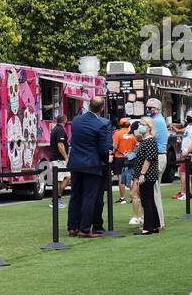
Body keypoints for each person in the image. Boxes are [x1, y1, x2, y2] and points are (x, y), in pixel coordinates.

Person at [66, 96, 112, 238]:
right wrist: (107, 158)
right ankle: (85, 229)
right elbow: (103, 149)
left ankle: (72, 227)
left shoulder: (76, 121)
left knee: (75, 196)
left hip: (76, 163)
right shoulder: (101, 125)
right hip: (92, 164)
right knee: (89, 197)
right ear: (102, 108)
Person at [133, 121, 161, 234]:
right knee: (149, 200)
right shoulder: (145, 140)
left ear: (149, 128)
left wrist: (142, 174)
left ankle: (148, 227)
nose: (140, 126)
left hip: (147, 175)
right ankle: (154, 225)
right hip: (147, 174)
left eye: (143, 124)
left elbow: (148, 159)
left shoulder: (149, 141)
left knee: (146, 200)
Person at [145, 98, 168, 228]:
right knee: (154, 189)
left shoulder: (156, 121)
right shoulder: (159, 119)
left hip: (157, 157)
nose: (149, 110)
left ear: (158, 109)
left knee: (153, 190)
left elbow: (150, 139)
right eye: (148, 107)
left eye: (151, 108)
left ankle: (156, 221)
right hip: (158, 156)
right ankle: (154, 220)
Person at [47, 113, 69, 209]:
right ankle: (56, 200)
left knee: (67, 177)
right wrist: (66, 157)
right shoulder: (59, 130)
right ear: (64, 120)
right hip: (59, 159)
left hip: (59, 159)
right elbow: (60, 145)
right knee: (60, 179)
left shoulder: (56, 129)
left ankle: (58, 198)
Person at [111, 118, 133, 204]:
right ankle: (133, 196)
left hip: (119, 157)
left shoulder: (117, 133)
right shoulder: (132, 134)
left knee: (121, 178)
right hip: (130, 157)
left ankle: (122, 198)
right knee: (131, 177)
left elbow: (115, 146)